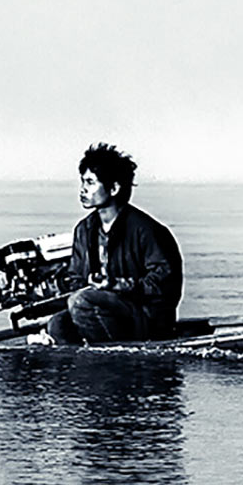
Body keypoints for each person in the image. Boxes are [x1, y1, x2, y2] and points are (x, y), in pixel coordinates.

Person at [40, 142, 182, 345]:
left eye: (90, 182)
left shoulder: (148, 231)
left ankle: (112, 359)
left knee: (81, 302)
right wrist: (40, 286)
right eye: (82, 182)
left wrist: (115, 284)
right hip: (106, 312)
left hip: (147, 317)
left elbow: (165, 286)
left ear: (114, 188)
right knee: (57, 323)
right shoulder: (84, 230)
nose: (82, 190)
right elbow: (75, 280)